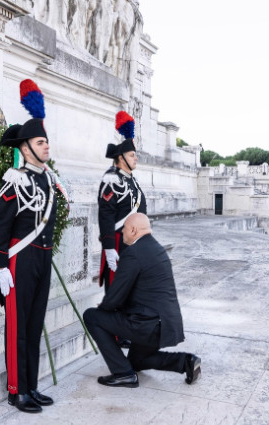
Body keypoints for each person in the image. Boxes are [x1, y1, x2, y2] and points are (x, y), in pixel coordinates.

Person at [0, 79, 62, 413]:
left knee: (34, 324)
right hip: (18, 260)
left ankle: (31, 385)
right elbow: (0, 225)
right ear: (26, 148)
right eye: (40, 142)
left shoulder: (47, 179)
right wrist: (0, 266)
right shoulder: (14, 180)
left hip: (42, 259)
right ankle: (17, 390)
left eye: (46, 141)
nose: (47, 147)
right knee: (17, 326)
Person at [83, 213, 201, 388]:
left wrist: (104, 309)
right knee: (137, 361)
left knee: (92, 317)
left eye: (123, 230)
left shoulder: (133, 253)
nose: (122, 234)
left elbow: (115, 296)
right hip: (166, 323)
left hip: (148, 325)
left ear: (133, 230)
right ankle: (186, 362)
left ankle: (123, 374)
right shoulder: (156, 248)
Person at [98, 110, 147, 290]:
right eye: (132, 155)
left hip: (134, 245)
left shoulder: (131, 181)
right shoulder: (112, 180)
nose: (136, 158)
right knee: (118, 294)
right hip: (119, 245)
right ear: (121, 158)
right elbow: (106, 215)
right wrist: (109, 247)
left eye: (135, 154)